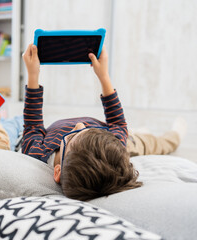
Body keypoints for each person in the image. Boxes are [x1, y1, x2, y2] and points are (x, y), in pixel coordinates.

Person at [21, 43, 186, 201]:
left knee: (132, 134)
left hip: (107, 136)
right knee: (155, 143)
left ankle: (139, 131)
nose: (79, 125)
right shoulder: (115, 147)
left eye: (71, 137)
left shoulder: (37, 154)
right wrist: (104, 75)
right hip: (120, 140)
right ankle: (175, 135)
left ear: (57, 172)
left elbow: (33, 125)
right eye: (84, 129)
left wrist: (33, 75)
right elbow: (118, 124)